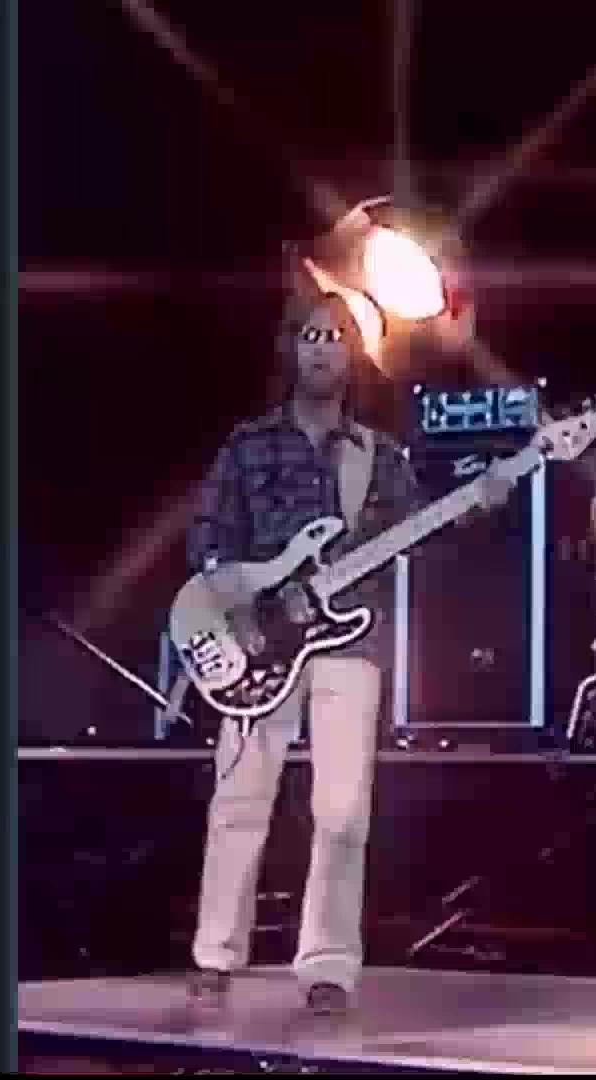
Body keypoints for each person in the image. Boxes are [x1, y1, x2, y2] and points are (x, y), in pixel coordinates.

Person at [182, 283, 512, 1017]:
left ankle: (328, 966)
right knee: (240, 799)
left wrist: (476, 503)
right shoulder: (248, 444)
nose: (323, 349)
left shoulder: (379, 456)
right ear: (290, 348)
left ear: (354, 356)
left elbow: (420, 534)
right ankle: (216, 957)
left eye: (336, 337)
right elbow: (207, 538)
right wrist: (241, 603)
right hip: (257, 640)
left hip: (350, 639)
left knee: (342, 811)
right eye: (311, 335)